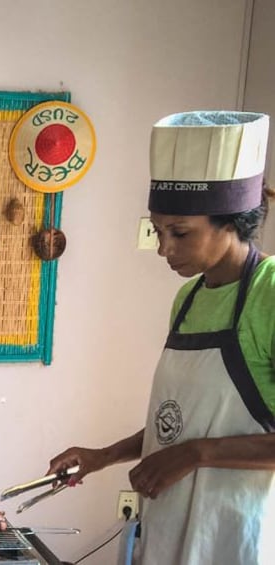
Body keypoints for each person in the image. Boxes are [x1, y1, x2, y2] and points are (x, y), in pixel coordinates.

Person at [47, 111, 275, 564]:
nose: (164, 248)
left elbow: (196, 441)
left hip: (231, 534)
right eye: (158, 230)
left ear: (231, 222)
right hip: (168, 524)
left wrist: (197, 454)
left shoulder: (268, 294)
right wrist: (104, 455)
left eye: (180, 233)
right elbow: (180, 420)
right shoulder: (188, 297)